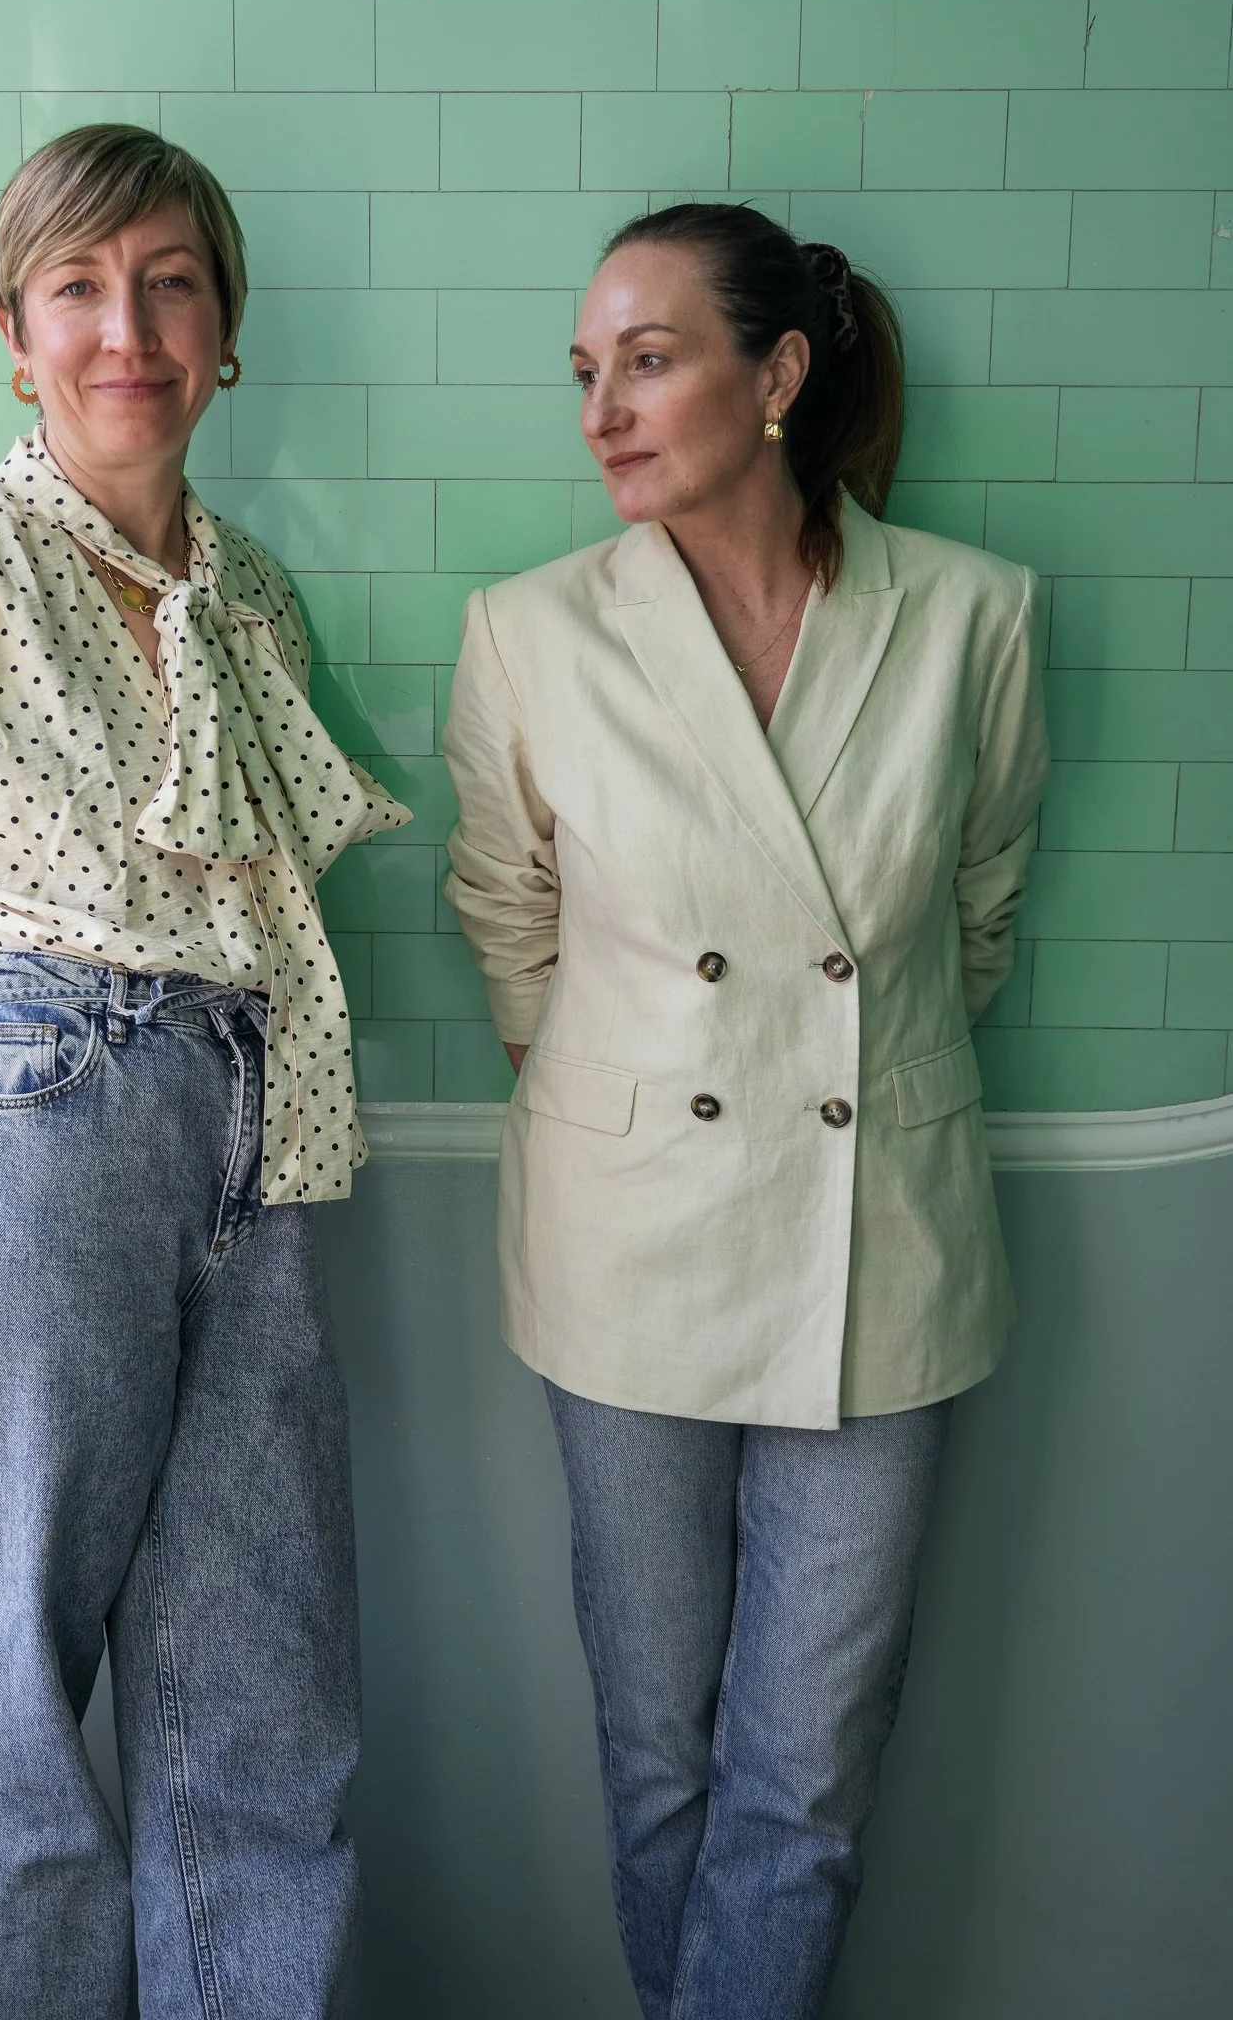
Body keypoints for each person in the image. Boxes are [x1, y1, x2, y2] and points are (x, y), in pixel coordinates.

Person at [0, 125, 406, 2020]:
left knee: (268, 1713)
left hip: (252, 1149)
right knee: (13, 1726)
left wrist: (265, 1161)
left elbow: (273, 933)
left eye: (169, 283)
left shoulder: (260, 601)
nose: (125, 328)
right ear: (14, 331)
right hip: (22, 1118)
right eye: (77, 287)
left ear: (225, 332)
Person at [441, 203, 1048, 2019]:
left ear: (776, 376)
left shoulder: (971, 616)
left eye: (648, 359)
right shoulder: (530, 631)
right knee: (661, 1754)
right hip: (626, 1248)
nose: (600, 411)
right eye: (585, 372)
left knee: (809, 1781)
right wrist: (629, 1105)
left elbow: (977, 908)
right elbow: (506, 920)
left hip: (890, 1248)